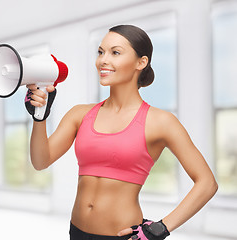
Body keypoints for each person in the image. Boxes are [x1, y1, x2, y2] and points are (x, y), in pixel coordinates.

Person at [25, 25, 218, 240]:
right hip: (77, 232)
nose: (103, 60)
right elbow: (41, 161)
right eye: (100, 52)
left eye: (115, 52)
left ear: (141, 62)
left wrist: (160, 228)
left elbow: (207, 183)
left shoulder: (160, 122)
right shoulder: (80, 114)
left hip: (123, 236)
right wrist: (39, 118)